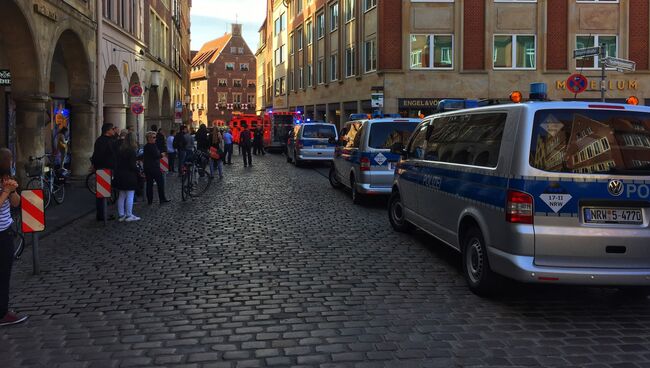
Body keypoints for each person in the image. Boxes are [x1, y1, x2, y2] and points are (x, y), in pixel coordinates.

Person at [0, 148, 26, 327]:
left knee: (5, 273)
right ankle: (2, 313)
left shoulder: (5, 180)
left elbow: (16, 203)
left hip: (5, 230)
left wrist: (12, 190)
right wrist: (4, 192)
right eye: (10, 160)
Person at [91, 123, 118, 221]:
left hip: (105, 168)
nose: (114, 131)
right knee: (103, 194)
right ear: (108, 130)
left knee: (104, 193)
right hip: (104, 169)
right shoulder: (104, 141)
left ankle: (103, 213)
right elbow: (99, 155)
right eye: (112, 129)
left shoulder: (104, 140)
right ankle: (102, 215)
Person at [113, 132, 141, 222]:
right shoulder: (131, 151)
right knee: (130, 195)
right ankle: (129, 215)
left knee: (121, 195)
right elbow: (132, 165)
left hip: (120, 174)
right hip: (129, 175)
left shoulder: (121, 150)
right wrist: (138, 171)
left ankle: (121, 214)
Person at [144, 131, 171, 205]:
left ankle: (150, 200)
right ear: (149, 138)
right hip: (153, 167)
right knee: (160, 183)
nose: (155, 139)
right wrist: (161, 155)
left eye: (155, 137)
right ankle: (161, 199)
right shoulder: (150, 146)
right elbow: (156, 155)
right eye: (153, 137)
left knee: (149, 184)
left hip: (149, 167)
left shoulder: (148, 146)